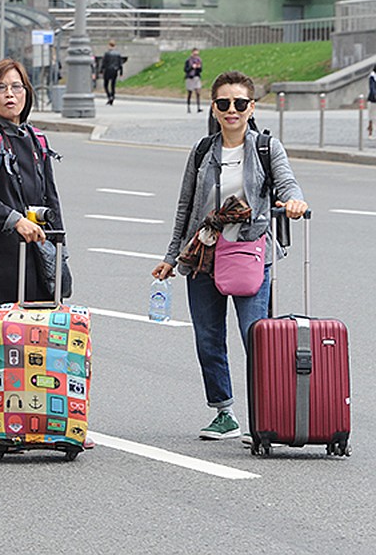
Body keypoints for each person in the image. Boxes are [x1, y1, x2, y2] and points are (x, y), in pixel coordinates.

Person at [151, 70, 308, 441]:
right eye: (224, 103)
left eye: (240, 103)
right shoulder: (203, 151)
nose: (232, 110)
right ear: (215, 107)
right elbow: (185, 207)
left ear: (252, 108)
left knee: (256, 338)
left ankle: (266, 417)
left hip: (250, 255)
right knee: (208, 337)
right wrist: (172, 256)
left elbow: (285, 182)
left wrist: (295, 200)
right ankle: (224, 413)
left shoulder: (267, 148)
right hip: (203, 254)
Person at [0, 59, 68, 424]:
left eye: (17, 87)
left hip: (35, 253)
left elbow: (52, 201)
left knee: (37, 338)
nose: (10, 95)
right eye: (2, 88)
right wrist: (14, 219)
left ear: (27, 93)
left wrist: (60, 253)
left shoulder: (36, 139)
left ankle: (33, 412)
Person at [100, 40, 123, 105]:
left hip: (108, 70)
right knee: (113, 85)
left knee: (106, 85)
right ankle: (112, 96)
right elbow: (120, 63)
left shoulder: (107, 54)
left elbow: (104, 62)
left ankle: (109, 96)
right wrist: (121, 72)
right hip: (115, 70)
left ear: (109, 45)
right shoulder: (118, 54)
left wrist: (101, 70)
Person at [185, 48, 204, 113]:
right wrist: (192, 67)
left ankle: (198, 107)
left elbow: (201, 70)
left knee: (198, 92)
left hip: (196, 77)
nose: (196, 55)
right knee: (190, 93)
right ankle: (188, 107)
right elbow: (185, 70)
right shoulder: (188, 60)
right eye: (195, 54)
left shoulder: (199, 60)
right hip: (190, 77)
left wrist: (198, 68)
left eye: (197, 54)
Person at [367, 64, 376, 138]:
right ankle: (370, 132)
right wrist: (375, 94)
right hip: (373, 99)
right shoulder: (372, 76)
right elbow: (372, 87)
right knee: (371, 117)